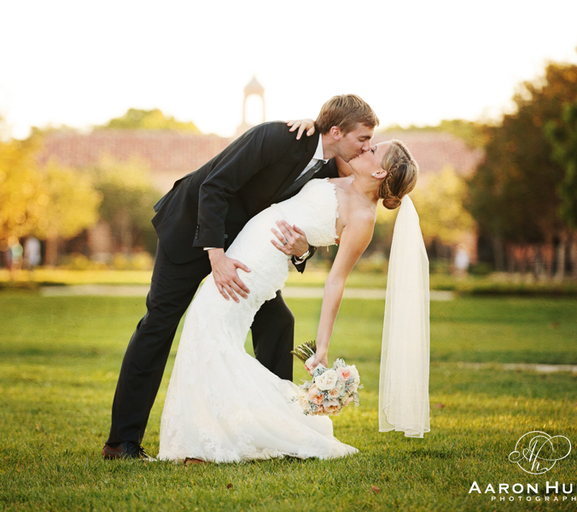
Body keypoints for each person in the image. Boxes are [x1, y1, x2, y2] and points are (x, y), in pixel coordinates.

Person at [103, 95, 380, 460]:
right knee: (158, 324)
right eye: (362, 139)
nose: (367, 147)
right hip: (192, 233)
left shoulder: (329, 170)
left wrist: (301, 250)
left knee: (279, 321)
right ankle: (121, 442)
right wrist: (216, 256)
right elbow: (213, 186)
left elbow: (309, 221)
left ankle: (278, 428)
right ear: (335, 131)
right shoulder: (277, 137)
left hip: (246, 252)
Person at [158, 139, 428, 463]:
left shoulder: (363, 217)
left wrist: (323, 347)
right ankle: (214, 436)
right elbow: (329, 137)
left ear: (381, 170)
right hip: (248, 244)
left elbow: (336, 279)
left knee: (207, 325)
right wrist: (311, 125)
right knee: (210, 331)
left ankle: (207, 443)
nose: (363, 150)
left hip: (258, 263)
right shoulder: (343, 173)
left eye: (371, 151)